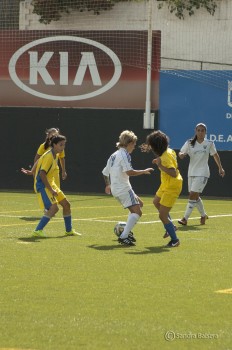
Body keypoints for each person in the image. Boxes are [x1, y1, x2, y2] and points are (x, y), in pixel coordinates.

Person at [102, 130, 154, 246]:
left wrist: (108, 185)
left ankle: (125, 230)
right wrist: (144, 171)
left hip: (118, 189)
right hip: (123, 188)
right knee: (138, 212)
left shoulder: (114, 155)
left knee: (140, 204)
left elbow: (105, 172)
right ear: (129, 143)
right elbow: (130, 172)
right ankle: (124, 235)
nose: (134, 146)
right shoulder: (124, 154)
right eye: (134, 144)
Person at [32, 134, 81, 238]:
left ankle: (69, 231)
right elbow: (42, 174)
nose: (63, 147)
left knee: (66, 205)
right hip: (43, 185)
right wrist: (51, 189)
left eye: (64, 145)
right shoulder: (49, 156)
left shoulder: (56, 155)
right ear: (54, 145)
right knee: (54, 208)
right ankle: (37, 230)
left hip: (51, 183)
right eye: (60, 145)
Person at [177, 123, 225, 226]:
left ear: (205, 132)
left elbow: (215, 155)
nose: (200, 132)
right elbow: (181, 153)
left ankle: (185, 218)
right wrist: (181, 155)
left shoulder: (209, 143)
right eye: (198, 130)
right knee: (195, 196)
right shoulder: (190, 143)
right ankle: (203, 215)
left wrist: (220, 168)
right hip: (191, 172)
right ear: (195, 131)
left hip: (203, 173)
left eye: (202, 130)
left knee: (192, 194)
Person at [144, 130, 183, 248]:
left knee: (162, 216)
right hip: (166, 184)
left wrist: (159, 165)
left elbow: (174, 172)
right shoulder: (168, 151)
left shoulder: (164, 157)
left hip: (172, 186)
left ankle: (175, 240)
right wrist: (158, 159)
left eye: (152, 145)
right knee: (156, 202)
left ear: (157, 147)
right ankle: (171, 226)